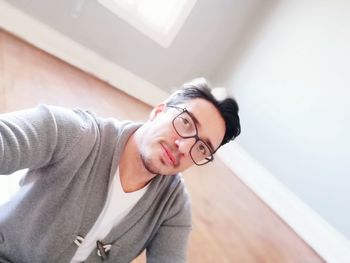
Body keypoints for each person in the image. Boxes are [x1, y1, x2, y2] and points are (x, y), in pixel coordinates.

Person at [0, 78, 241, 263]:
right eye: (186, 122)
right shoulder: (75, 132)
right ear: (158, 112)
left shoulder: (173, 205)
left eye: (201, 148)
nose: (184, 146)